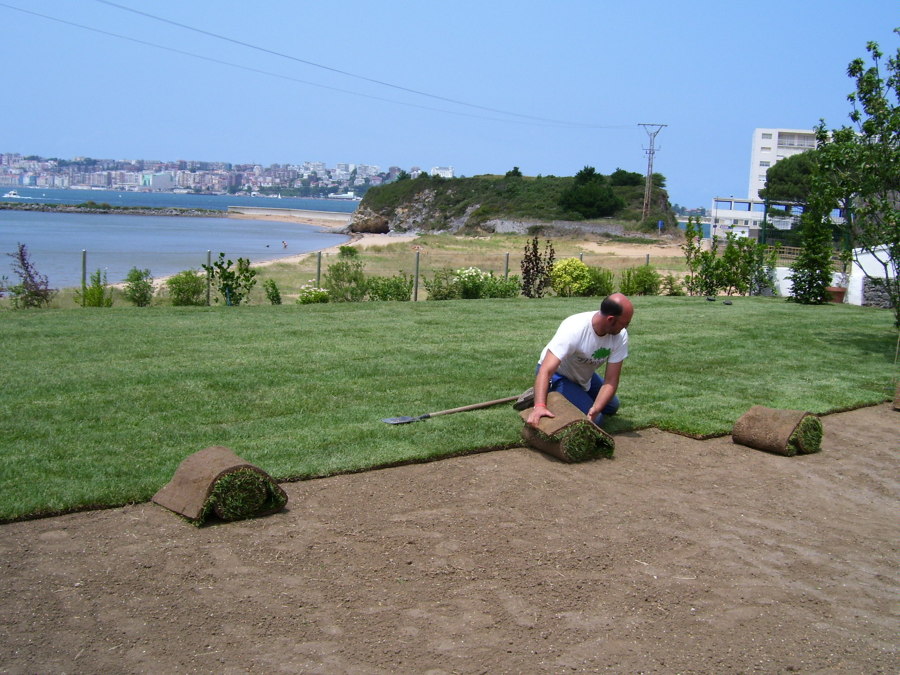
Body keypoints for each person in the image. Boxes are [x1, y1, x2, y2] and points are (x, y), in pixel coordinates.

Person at [525, 293, 633, 428]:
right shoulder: (575, 327)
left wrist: (596, 408)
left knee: (611, 406)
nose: (626, 328)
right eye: (625, 323)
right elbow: (545, 370)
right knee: (598, 421)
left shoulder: (620, 336)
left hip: (583, 374)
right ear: (611, 319)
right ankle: (543, 395)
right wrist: (539, 407)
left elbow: (611, 380)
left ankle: (562, 393)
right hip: (557, 374)